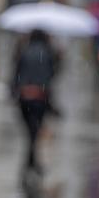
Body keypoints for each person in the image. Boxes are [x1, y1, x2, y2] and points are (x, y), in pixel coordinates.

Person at [12, 29, 59, 177]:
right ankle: (31, 163)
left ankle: (30, 163)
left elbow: (16, 74)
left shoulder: (24, 51)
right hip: (40, 98)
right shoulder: (48, 53)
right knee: (34, 132)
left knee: (31, 132)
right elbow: (52, 75)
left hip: (25, 97)